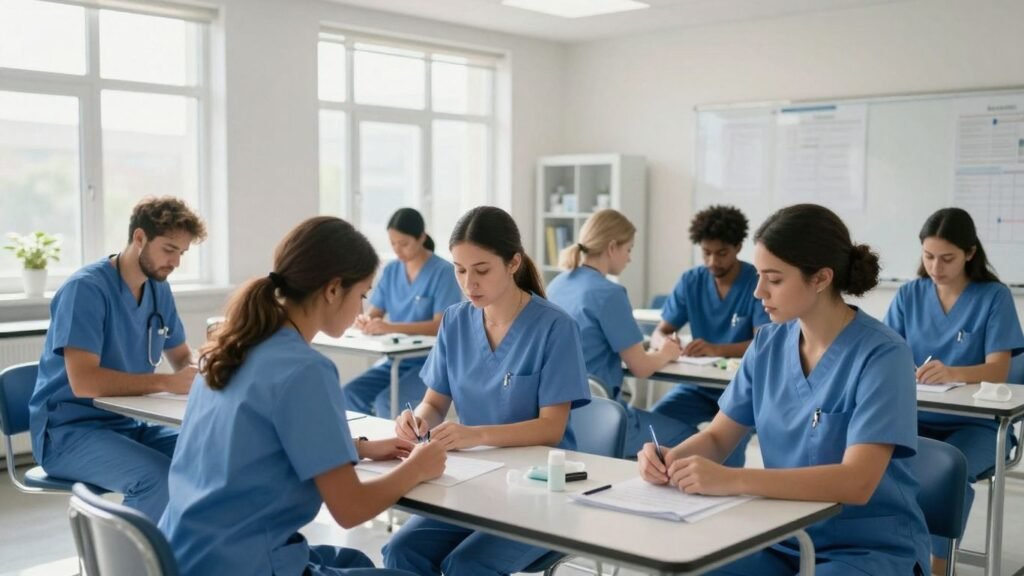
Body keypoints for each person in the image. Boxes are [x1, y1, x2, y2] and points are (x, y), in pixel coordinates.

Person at [639, 204, 929, 575]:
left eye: (774, 279)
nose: (759, 291)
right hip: (783, 536)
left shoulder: (883, 354)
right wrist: (669, 460)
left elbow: (857, 482)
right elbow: (717, 438)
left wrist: (733, 479)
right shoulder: (768, 345)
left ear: (821, 278)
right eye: (759, 275)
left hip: (866, 548)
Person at [158, 216, 446, 576]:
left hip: (185, 554)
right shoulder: (306, 370)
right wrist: (417, 467)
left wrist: (356, 448)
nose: (360, 309)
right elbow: (350, 509)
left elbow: (254, 442)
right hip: (243, 565)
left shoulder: (230, 348)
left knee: (353, 562)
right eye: (361, 295)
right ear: (332, 289)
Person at [382, 206, 590, 576]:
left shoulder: (555, 328)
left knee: (466, 565)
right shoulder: (455, 321)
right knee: (402, 551)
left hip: (540, 490)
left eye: (481, 271)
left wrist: (473, 434)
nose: (468, 283)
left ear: (513, 263)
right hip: (474, 481)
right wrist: (417, 420)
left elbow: (551, 428)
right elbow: (435, 401)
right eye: (460, 270)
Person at [29, 196, 206, 521]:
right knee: (156, 478)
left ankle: (180, 557)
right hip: (68, 431)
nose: (176, 262)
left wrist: (204, 370)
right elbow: (84, 383)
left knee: (209, 453)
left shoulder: (158, 289)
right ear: (139, 238)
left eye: (182, 253)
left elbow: (181, 357)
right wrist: (167, 382)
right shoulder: (86, 290)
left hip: (125, 424)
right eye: (169, 249)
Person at [883, 207, 1024, 574]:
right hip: (914, 418)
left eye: (947, 258)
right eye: (928, 256)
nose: (935, 267)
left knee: (947, 471)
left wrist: (952, 371)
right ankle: (893, 555)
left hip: (977, 426)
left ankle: (937, 567)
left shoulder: (994, 297)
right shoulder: (909, 295)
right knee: (873, 456)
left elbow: (999, 369)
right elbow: (886, 355)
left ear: (970, 253)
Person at [547, 209, 697, 455]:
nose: (629, 258)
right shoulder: (609, 293)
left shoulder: (558, 283)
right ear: (612, 247)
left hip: (559, 416)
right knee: (693, 438)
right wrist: (667, 353)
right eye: (628, 249)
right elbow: (641, 367)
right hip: (599, 417)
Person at [649, 205, 769, 467]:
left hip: (739, 390)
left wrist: (716, 349)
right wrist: (665, 344)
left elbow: (764, 343)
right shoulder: (691, 281)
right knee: (655, 425)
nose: (713, 261)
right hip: (697, 387)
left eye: (722, 253)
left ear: (737, 247)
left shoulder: (757, 283)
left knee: (728, 451)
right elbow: (661, 331)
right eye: (706, 253)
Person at [344, 208, 463, 416]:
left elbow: (440, 326)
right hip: (395, 360)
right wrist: (366, 321)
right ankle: (363, 446)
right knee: (350, 393)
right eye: (393, 244)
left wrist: (389, 327)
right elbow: (376, 312)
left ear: (421, 238)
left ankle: (394, 447)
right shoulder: (391, 271)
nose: (398, 250)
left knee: (386, 402)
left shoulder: (443, 272)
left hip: (430, 362)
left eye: (404, 244)